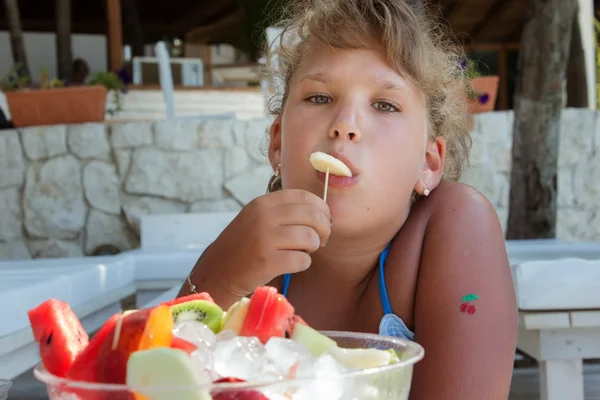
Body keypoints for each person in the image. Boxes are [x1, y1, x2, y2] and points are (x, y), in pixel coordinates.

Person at [178, 0, 518, 398]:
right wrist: (217, 280)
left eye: (384, 105)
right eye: (320, 98)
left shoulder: (455, 224)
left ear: (428, 163)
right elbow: (153, 376)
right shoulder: (255, 260)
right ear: (278, 142)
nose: (344, 126)